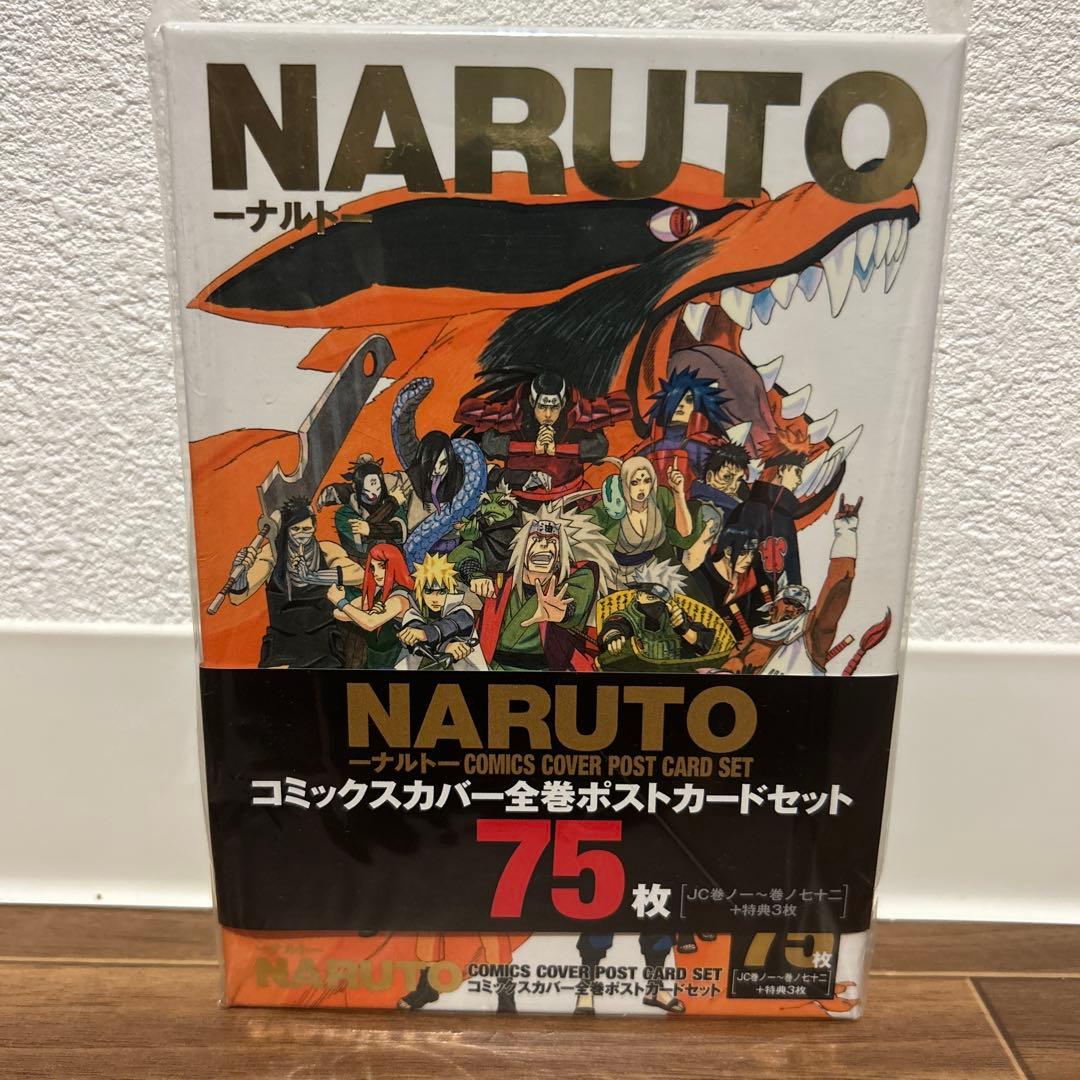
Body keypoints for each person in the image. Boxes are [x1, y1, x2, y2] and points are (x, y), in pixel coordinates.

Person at [722, 496, 862, 675]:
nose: (793, 609)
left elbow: (838, 585)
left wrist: (846, 532)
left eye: (799, 607)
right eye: (789, 602)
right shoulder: (749, 641)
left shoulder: (810, 636)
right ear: (772, 607)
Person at [476, 501, 616, 672]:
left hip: (546, 672)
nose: (544, 544)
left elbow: (576, 598)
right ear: (522, 549)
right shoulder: (501, 583)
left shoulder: (578, 577)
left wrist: (565, 612)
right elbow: (465, 552)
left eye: (552, 541)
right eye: (536, 539)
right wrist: (473, 575)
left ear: (559, 556)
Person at [456, 372, 630, 506]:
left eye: (554, 407)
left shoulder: (578, 414)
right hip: (518, 500)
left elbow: (599, 447)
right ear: (532, 402)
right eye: (542, 406)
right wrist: (533, 448)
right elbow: (489, 445)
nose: (548, 414)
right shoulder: (515, 414)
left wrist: (557, 449)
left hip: (570, 499)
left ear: (563, 403)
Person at [228, 498, 363, 668]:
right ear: (286, 530)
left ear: (314, 527)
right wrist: (240, 573)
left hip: (323, 645)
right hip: (282, 646)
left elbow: (358, 574)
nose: (301, 535)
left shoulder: (327, 550)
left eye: (306, 529)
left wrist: (313, 577)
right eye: (295, 529)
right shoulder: (272, 554)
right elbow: (237, 598)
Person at [590, 456, 700, 589]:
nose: (642, 488)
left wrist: (678, 493)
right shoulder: (612, 508)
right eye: (634, 482)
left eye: (646, 481)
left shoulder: (660, 498)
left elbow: (684, 534)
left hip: (654, 573)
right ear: (624, 483)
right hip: (616, 579)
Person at [598, 561, 713, 669]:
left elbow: (703, 644)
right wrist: (613, 636)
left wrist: (684, 630)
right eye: (650, 597)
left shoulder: (675, 615)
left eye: (661, 599)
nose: (655, 603)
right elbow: (615, 625)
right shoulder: (627, 617)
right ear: (638, 596)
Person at [634, 365, 734, 482]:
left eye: (689, 400)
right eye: (676, 399)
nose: (681, 405)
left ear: (701, 407)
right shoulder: (648, 446)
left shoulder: (707, 446)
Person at [727, 448, 807, 587]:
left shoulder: (786, 517)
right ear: (782, 469)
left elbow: (793, 574)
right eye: (797, 473)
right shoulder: (747, 510)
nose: (799, 481)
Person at [327, 543, 414, 669]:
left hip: (395, 659)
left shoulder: (400, 597)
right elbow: (339, 614)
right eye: (372, 568)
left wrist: (341, 603)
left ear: (395, 565)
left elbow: (370, 623)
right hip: (374, 656)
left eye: (382, 566)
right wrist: (362, 614)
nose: (376, 573)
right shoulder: (378, 591)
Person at [395, 554, 486, 671]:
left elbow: (451, 625)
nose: (435, 599)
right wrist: (444, 646)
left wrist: (425, 634)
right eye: (428, 591)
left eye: (441, 592)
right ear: (420, 591)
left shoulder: (462, 611)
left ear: (450, 590)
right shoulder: (413, 613)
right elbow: (416, 644)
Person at [317, 455, 407, 564]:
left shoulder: (393, 504)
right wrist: (391, 505)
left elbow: (399, 531)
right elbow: (362, 545)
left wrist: (370, 529)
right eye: (366, 488)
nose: (373, 493)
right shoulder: (344, 514)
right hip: (361, 567)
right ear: (355, 487)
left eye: (375, 484)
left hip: (394, 563)